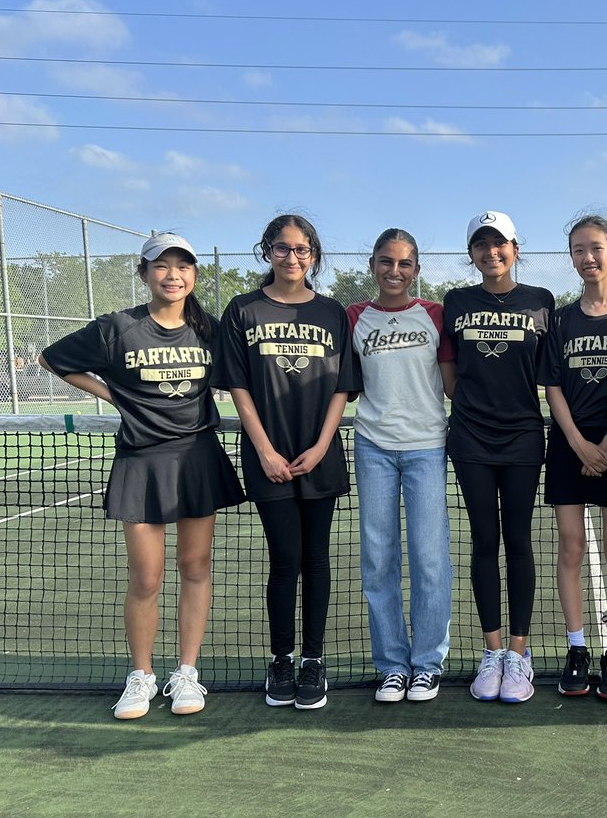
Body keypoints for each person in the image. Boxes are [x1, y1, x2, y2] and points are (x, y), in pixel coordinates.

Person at [40, 232, 244, 720]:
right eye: (161, 266)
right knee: (146, 576)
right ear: (144, 274)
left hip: (196, 457)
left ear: (194, 275)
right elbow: (53, 359)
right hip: (140, 462)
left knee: (195, 567)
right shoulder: (117, 328)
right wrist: (115, 397)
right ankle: (142, 676)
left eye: (183, 266)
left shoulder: (210, 330)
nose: (173, 275)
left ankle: (187, 673)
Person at [214, 214, 361, 711]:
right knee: (284, 561)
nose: (292, 257)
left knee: (316, 560)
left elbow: (343, 385)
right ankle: (281, 658)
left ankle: (313, 662)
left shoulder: (332, 312)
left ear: (314, 255)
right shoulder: (243, 310)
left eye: (302, 250)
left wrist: (322, 446)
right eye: (282, 248)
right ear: (267, 251)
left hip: (319, 454)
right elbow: (238, 386)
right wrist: (264, 450)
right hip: (268, 458)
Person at [444, 211, 554, 703]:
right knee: (484, 541)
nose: (491, 252)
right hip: (470, 439)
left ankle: (519, 654)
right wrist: (471, 406)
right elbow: (450, 371)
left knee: (519, 541)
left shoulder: (540, 301)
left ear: (515, 248)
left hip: (523, 438)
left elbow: (546, 373)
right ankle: (492, 653)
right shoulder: (456, 302)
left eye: (500, 244)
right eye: (481, 245)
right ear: (471, 252)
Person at [346, 228, 455, 703]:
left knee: (430, 561)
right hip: (371, 447)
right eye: (386, 262)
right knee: (378, 561)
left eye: (404, 263)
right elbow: (339, 385)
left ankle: (427, 664)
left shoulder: (435, 315)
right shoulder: (352, 317)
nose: (395, 271)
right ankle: (392, 666)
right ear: (372, 265)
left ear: (417, 269)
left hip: (427, 448)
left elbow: (453, 385)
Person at [539, 215, 607, 701]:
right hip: (568, 448)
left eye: (596, 248)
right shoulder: (561, 319)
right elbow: (553, 387)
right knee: (571, 546)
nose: (587, 258)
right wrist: (578, 443)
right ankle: (577, 648)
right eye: (578, 250)